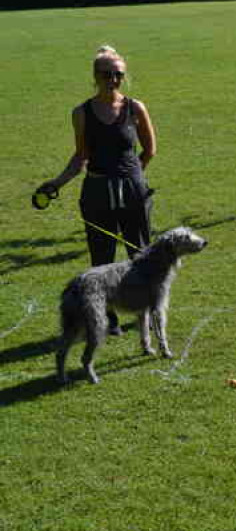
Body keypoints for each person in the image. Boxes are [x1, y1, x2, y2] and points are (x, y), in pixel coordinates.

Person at [39, 46, 157, 335]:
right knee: (101, 260)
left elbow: (150, 150)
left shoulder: (135, 107)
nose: (113, 79)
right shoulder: (81, 113)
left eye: (119, 74)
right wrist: (55, 184)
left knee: (140, 255)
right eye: (107, 74)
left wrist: (133, 177)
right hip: (96, 191)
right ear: (95, 76)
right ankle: (108, 320)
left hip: (132, 190)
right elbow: (80, 156)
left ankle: (147, 315)